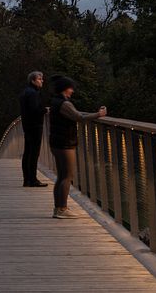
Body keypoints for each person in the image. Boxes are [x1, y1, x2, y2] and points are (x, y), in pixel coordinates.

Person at [49, 75, 106, 219]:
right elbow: (79, 117)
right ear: (65, 88)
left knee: (61, 176)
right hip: (65, 143)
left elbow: (76, 115)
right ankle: (62, 209)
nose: (72, 91)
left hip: (57, 142)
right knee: (67, 176)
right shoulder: (65, 104)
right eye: (70, 88)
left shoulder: (56, 102)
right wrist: (98, 114)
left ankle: (58, 208)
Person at [19, 71, 48, 187]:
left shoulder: (25, 92)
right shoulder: (33, 94)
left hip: (28, 126)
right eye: (39, 79)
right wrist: (45, 110)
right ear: (33, 81)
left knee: (27, 153)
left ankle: (27, 180)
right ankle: (33, 180)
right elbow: (35, 111)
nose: (42, 81)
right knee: (33, 153)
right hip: (35, 126)